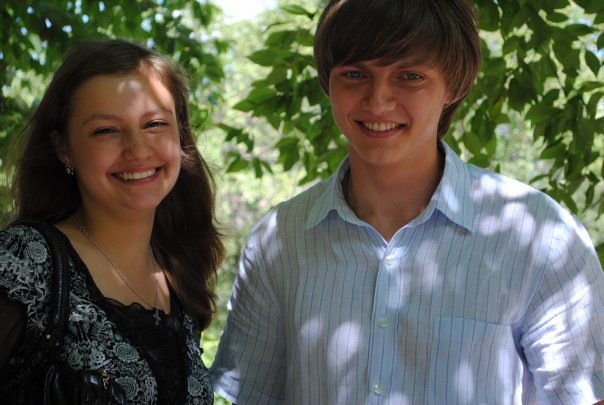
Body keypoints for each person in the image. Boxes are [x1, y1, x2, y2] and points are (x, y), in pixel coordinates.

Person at [210, 0, 604, 403]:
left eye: (410, 76)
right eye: (355, 74)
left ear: (454, 85)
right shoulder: (279, 240)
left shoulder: (541, 236)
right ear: (329, 82)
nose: (378, 100)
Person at [0, 39, 224, 404]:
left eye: (154, 124)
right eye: (106, 130)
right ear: (64, 148)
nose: (137, 150)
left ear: (180, 135)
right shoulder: (25, 263)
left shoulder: (179, 274)